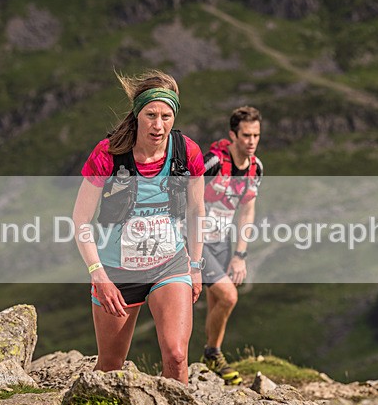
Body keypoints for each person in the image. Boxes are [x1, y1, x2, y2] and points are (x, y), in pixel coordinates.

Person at [72, 70, 206, 384]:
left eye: (166, 116)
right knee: (110, 366)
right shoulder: (108, 154)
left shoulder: (187, 153)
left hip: (170, 265)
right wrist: (98, 273)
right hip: (117, 272)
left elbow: (198, 211)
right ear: (137, 114)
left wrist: (196, 266)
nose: (158, 125)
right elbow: (80, 220)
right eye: (150, 115)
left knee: (176, 354)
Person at [199, 106, 263, 385]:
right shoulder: (213, 162)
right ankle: (212, 353)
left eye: (256, 135)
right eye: (246, 135)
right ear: (233, 135)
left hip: (223, 242)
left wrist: (240, 255)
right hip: (196, 241)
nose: (251, 141)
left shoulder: (256, 168)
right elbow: (185, 196)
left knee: (218, 301)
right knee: (228, 297)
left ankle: (212, 359)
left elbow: (248, 210)